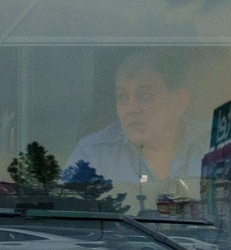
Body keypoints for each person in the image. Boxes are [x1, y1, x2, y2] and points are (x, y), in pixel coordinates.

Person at [62, 48, 206, 192]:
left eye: (144, 96)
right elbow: (62, 208)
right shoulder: (93, 156)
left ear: (179, 102)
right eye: (123, 97)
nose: (131, 109)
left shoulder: (215, 146)